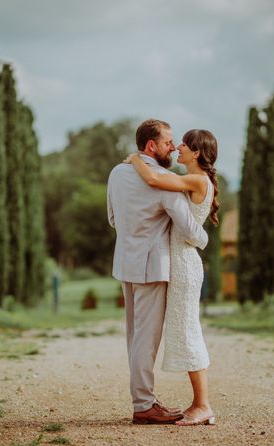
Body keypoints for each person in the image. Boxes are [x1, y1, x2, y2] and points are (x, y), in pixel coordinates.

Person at [107, 119, 208, 425]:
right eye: (167, 142)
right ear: (151, 145)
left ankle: (144, 399)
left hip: (125, 263)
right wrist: (204, 239)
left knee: (134, 338)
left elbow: (113, 219)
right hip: (152, 269)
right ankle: (144, 405)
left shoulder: (116, 173)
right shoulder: (166, 182)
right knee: (146, 341)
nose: (171, 147)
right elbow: (190, 230)